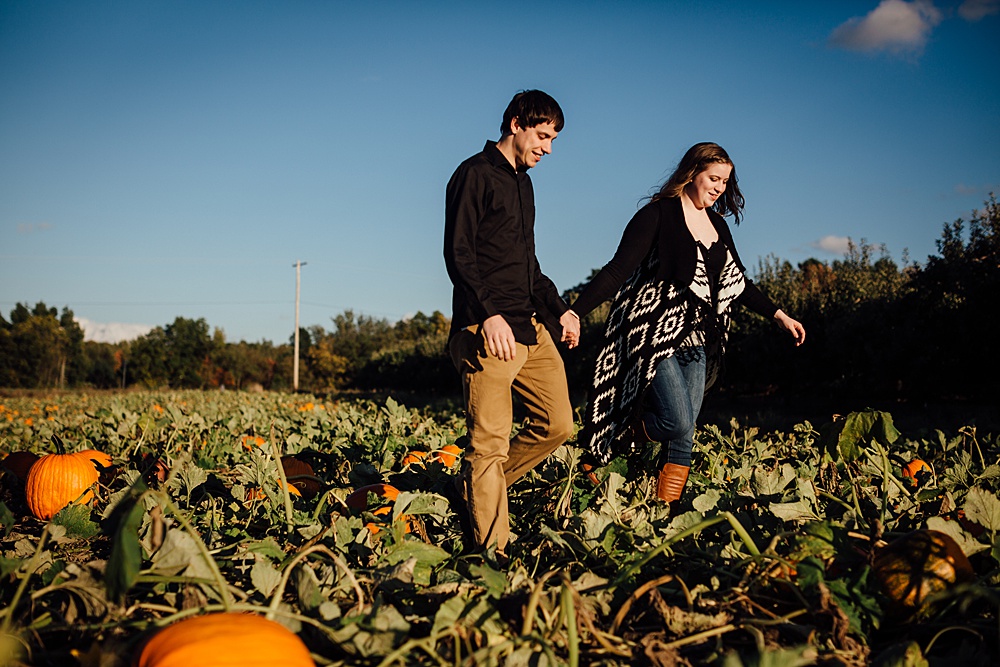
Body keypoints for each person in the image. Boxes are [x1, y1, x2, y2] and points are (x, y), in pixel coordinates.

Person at [570, 142, 805, 507]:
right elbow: (618, 270)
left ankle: (665, 510)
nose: (719, 187)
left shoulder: (718, 226)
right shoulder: (658, 215)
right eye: (714, 178)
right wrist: (575, 311)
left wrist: (779, 315)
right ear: (692, 172)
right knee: (677, 420)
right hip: (653, 333)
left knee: (685, 432)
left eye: (725, 182)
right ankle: (622, 435)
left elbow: (738, 283)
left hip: (698, 340)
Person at [444, 90, 581, 561]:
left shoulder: (525, 185)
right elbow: (458, 254)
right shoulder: (473, 175)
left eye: (553, 139)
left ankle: (477, 489)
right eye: (543, 136)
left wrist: (559, 307)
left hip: (531, 328)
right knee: (490, 444)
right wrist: (488, 315)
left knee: (558, 424)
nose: (548, 148)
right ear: (517, 124)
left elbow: (528, 265)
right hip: (486, 332)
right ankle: (495, 556)